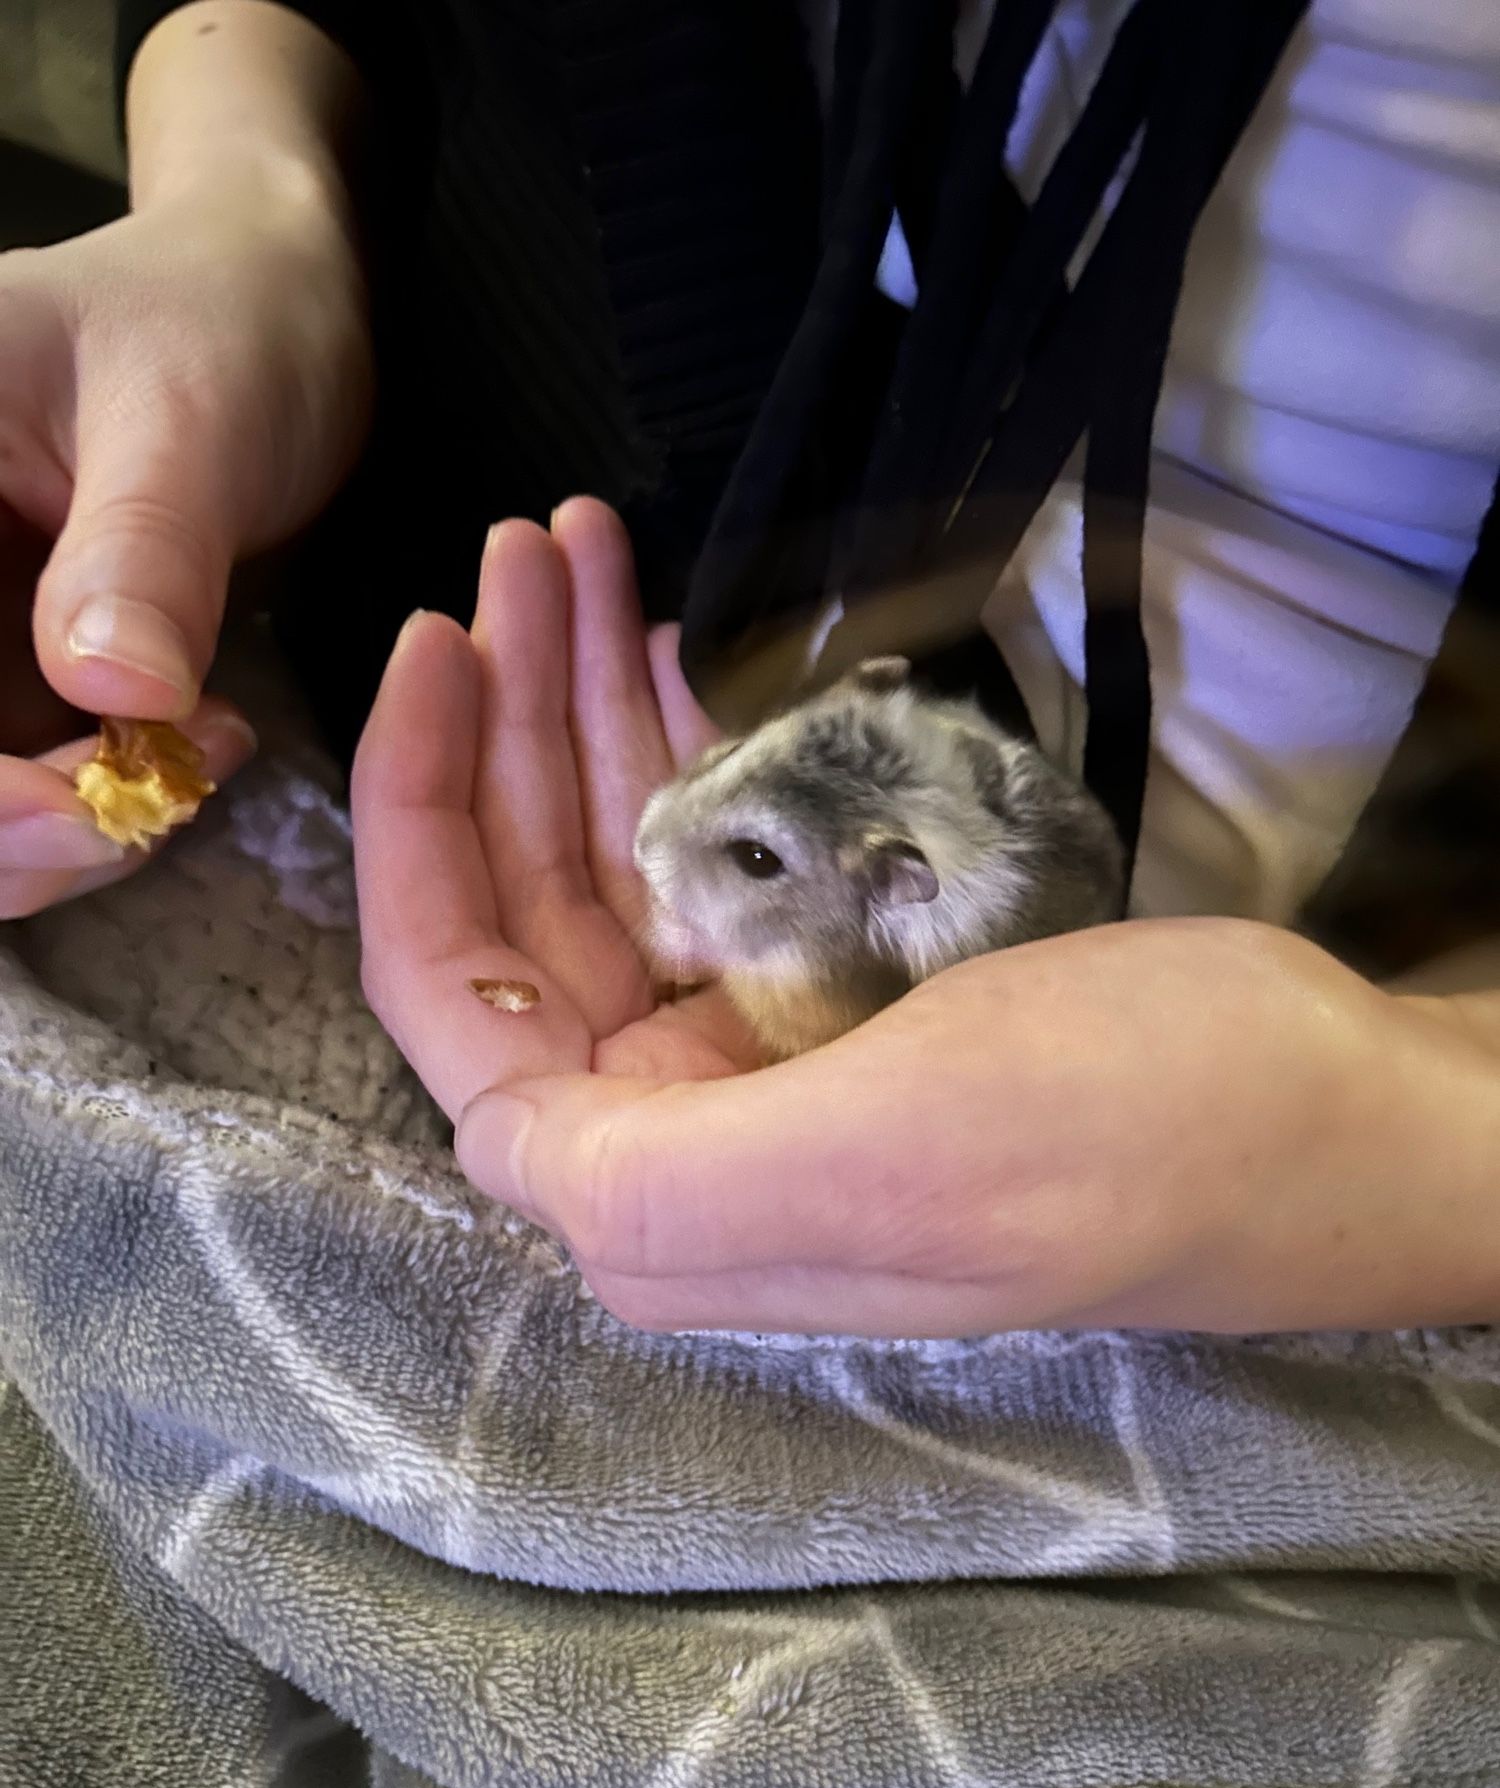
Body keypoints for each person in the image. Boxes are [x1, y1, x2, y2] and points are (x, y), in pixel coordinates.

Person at [0, 0, 1496, 1335]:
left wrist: (1424, 1134)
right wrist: (251, 219)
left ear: (896, 883)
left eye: (756, 849)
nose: (669, 840)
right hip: (379, 563)